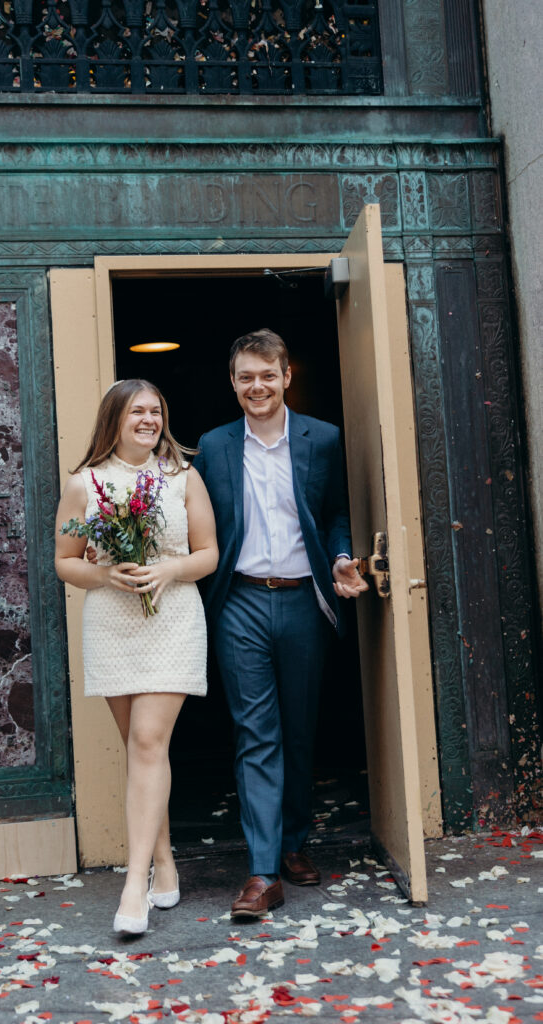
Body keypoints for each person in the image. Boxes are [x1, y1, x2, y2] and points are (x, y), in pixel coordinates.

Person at [194, 328, 368, 919]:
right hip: (239, 602)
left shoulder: (323, 439)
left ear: (287, 376)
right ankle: (263, 871)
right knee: (256, 733)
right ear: (233, 381)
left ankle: (292, 841)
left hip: (303, 602)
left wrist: (342, 559)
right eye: (246, 376)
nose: (257, 386)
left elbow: (338, 512)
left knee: (297, 729)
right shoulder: (214, 446)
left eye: (268, 375)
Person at [55, 379, 218, 935]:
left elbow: (208, 553)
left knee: (149, 742)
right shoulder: (85, 483)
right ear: (114, 420)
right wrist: (107, 573)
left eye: (156, 410)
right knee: (141, 751)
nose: (149, 419)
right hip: (111, 620)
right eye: (137, 411)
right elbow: (65, 562)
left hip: (172, 618)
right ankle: (166, 861)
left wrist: (167, 570)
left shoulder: (181, 476)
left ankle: (135, 884)